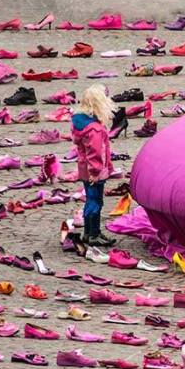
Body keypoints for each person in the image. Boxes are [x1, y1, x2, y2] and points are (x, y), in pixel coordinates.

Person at [72, 85, 116, 247]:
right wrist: (96, 170)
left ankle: (88, 233)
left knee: (91, 200)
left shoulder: (80, 123)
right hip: (94, 171)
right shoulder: (94, 129)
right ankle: (93, 234)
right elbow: (95, 152)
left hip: (84, 168)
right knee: (95, 201)